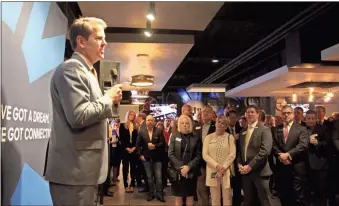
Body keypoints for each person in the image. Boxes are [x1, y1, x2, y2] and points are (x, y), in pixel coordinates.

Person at [44, 17, 122, 206]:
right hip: (74, 173)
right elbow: (78, 115)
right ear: (81, 41)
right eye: (99, 38)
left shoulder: (87, 71)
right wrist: (108, 98)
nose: (105, 43)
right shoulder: (71, 69)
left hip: (82, 173)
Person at [272, 105, 309, 206]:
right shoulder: (275, 129)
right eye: (284, 113)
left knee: (298, 197)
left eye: (288, 113)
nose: (286, 115)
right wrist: (280, 155)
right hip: (282, 167)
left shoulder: (301, 129)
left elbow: (303, 145)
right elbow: (273, 145)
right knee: (283, 195)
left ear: (293, 114)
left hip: (296, 167)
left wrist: (288, 154)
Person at [237, 105, 274, 206]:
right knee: (248, 201)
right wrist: (239, 164)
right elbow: (240, 151)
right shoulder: (242, 131)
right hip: (245, 173)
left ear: (258, 114)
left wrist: (250, 166)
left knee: (265, 201)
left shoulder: (264, 129)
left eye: (252, 112)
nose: (249, 114)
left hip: (260, 172)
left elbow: (265, 151)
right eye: (248, 112)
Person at [168, 114, 202, 206]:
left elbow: (198, 155)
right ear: (179, 124)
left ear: (190, 124)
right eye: (182, 123)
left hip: (191, 171)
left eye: (187, 123)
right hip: (177, 171)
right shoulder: (174, 136)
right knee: (178, 196)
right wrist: (181, 168)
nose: (184, 125)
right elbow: (170, 154)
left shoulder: (195, 137)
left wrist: (188, 167)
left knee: (190, 195)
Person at [203, 116, 236, 206]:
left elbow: (232, 154)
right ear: (215, 123)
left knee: (227, 197)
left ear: (226, 126)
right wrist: (217, 166)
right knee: (214, 198)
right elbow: (205, 155)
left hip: (225, 171)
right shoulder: (208, 137)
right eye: (218, 122)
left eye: (223, 123)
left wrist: (223, 167)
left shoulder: (230, 137)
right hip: (212, 170)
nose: (220, 124)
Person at [136, 115, 166, 202]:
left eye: (151, 120)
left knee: (158, 177)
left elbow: (163, 143)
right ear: (145, 122)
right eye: (148, 120)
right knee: (149, 177)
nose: (149, 122)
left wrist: (155, 146)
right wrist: (140, 155)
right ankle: (151, 193)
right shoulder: (141, 132)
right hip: (146, 158)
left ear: (154, 122)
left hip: (157, 158)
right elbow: (137, 145)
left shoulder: (159, 131)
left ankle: (159, 194)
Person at [119, 110, 139, 193]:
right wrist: (127, 148)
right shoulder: (122, 125)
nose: (132, 116)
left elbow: (138, 139)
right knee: (125, 168)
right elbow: (121, 139)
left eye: (133, 115)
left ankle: (132, 184)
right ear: (128, 115)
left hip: (134, 149)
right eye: (131, 114)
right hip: (125, 149)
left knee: (133, 168)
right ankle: (126, 185)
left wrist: (134, 147)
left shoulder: (136, 126)